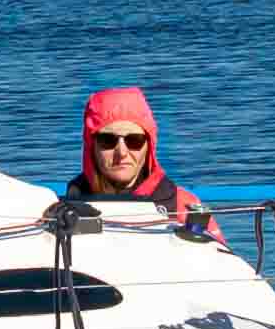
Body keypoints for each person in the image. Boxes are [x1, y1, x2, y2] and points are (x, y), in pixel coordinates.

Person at [65, 87, 215, 236]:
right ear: (91, 147)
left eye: (134, 140)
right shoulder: (65, 211)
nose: (122, 153)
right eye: (108, 141)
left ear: (149, 146)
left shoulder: (183, 207)